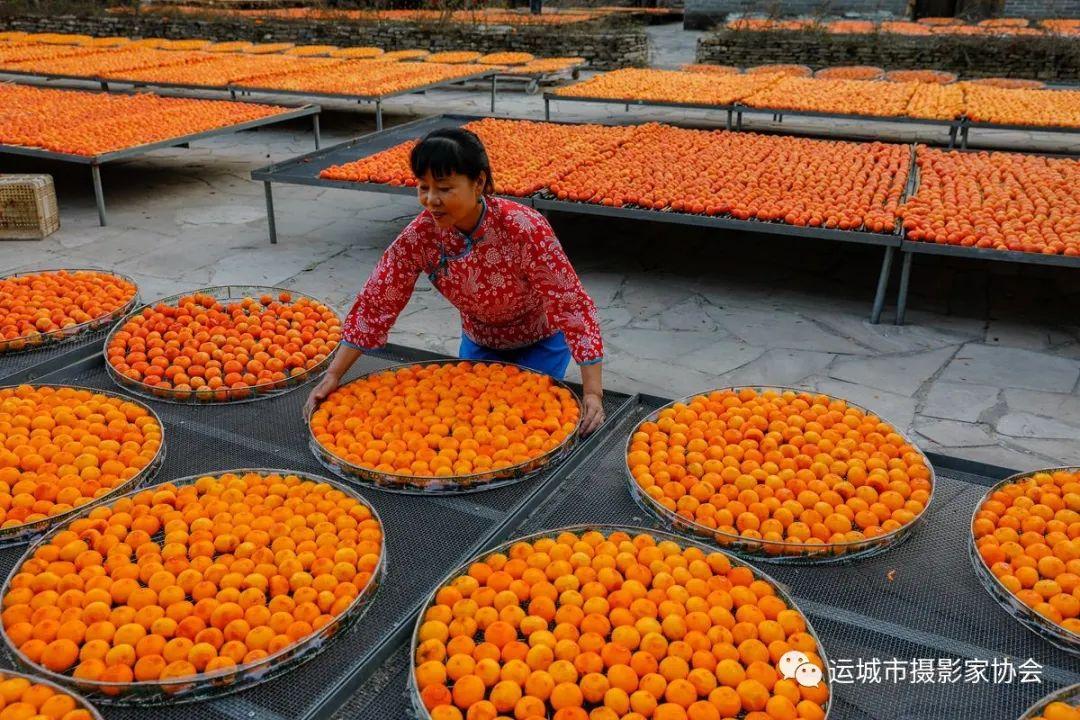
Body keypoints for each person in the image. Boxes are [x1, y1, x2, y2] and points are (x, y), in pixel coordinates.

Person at [305, 127, 606, 435]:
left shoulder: (523, 229)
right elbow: (377, 302)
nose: (431, 200)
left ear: (479, 182)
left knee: (523, 426)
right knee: (472, 426)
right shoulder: (420, 237)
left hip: (540, 342)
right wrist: (334, 373)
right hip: (479, 342)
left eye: (445, 188)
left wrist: (593, 393)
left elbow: (572, 305)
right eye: (423, 187)